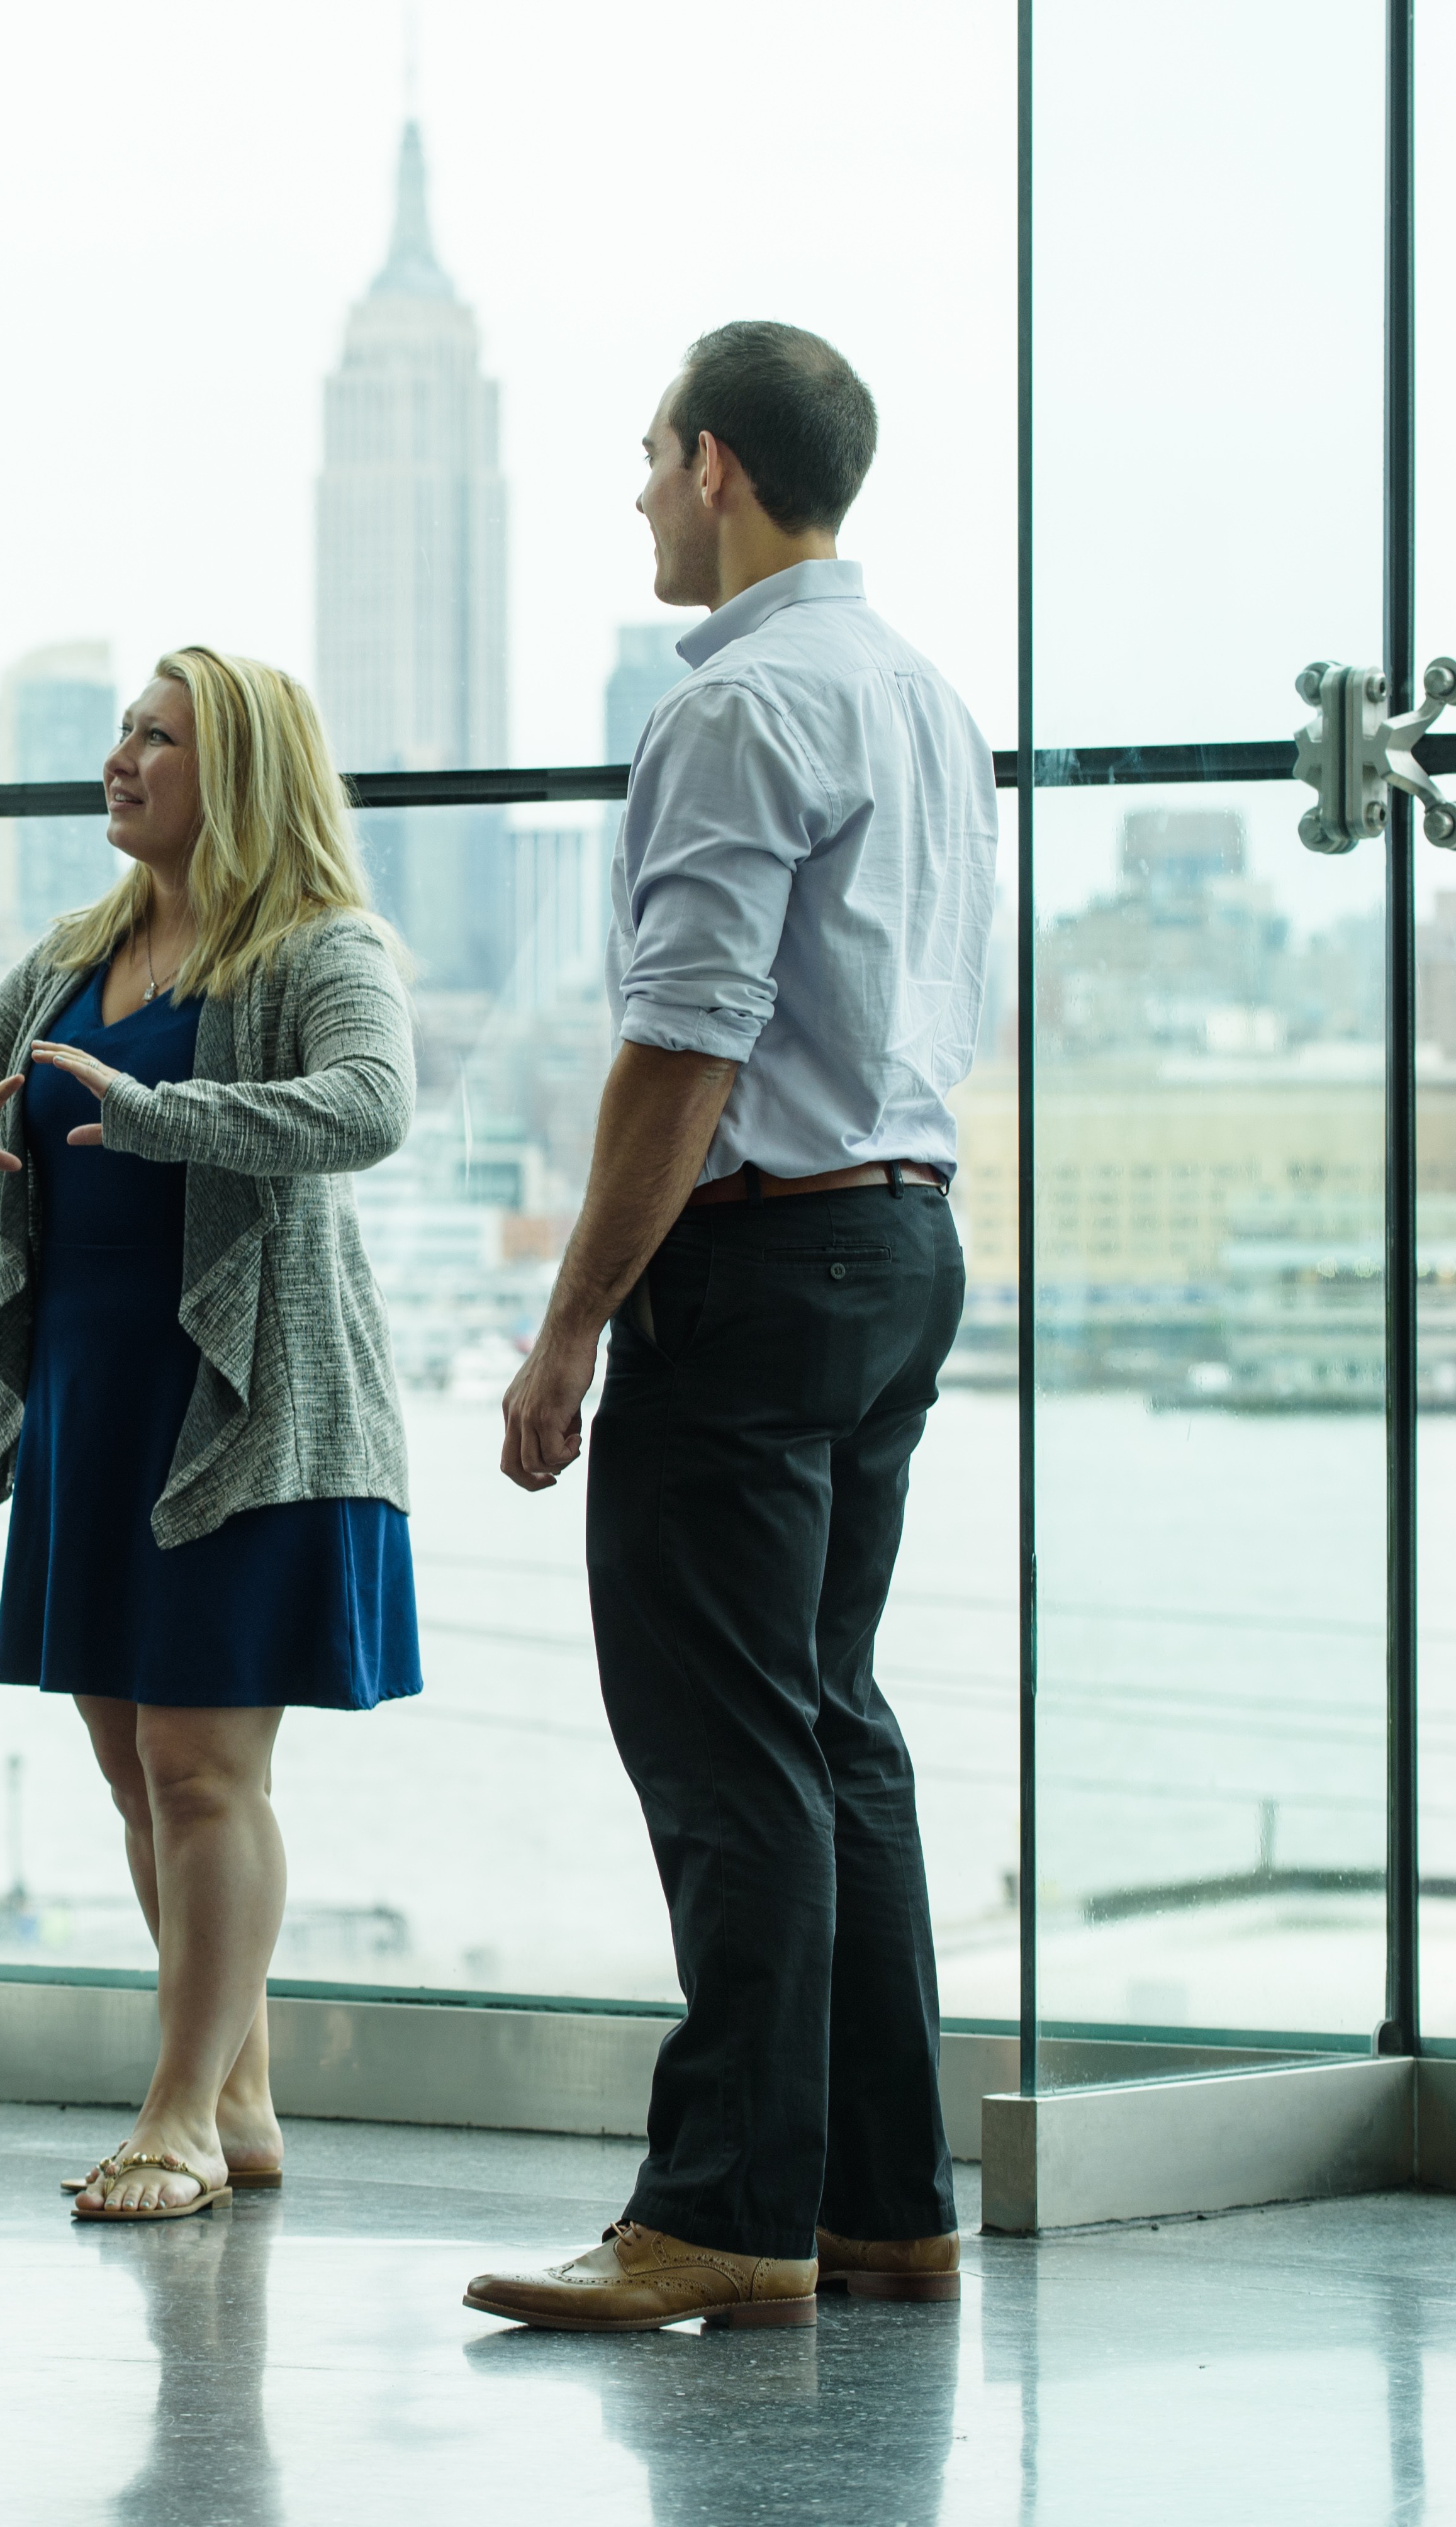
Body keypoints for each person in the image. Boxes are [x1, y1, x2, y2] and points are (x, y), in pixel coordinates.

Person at [462, 322, 995, 2329]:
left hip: (759, 1264)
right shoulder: (927, 699)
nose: (636, 499)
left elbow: (684, 1049)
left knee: (729, 1747)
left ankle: (724, 2213)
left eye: (647, 457)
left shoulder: (741, 705)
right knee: (831, 1721)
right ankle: (881, 2203)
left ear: (714, 466)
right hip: (904, 1243)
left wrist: (569, 1329)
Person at [0, 647, 420, 2224]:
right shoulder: (74, 950)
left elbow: (370, 1105)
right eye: (120, 729)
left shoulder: (319, 944)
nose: (119, 757)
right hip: (91, 1399)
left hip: (243, 1401)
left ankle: (176, 2115)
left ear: (234, 768)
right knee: (136, 1772)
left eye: (156, 736)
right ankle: (236, 2100)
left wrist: (168, 1116)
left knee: (198, 1768)